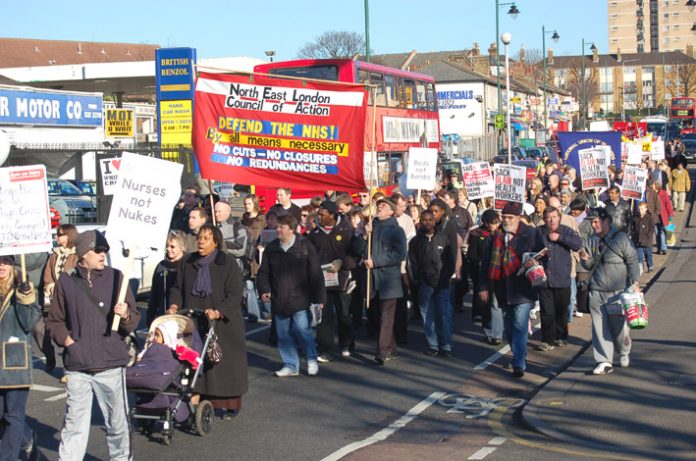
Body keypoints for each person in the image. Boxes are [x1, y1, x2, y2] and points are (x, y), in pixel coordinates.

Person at [47, 230, 140, 461]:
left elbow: (133, 321)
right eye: (97, 250)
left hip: (110, 364)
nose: (103, 254)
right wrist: (69, 342)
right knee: (74, 425)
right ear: (83, 254)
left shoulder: (118, 278)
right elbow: (55, 320)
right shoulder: (66, 281)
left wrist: (126, 313)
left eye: (105, 250)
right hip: (78, 367)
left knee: (117, 424)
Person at [167, 223, 248, 419]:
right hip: (195, 319)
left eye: (206, 238)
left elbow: (235, 293)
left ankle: (229, 405)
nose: (200, 242)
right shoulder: (188, 261)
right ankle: (196, 400)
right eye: (199, 238)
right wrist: (174, 306)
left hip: (223, 323)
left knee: (223, 365)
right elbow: (177, 287)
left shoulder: (227, 263)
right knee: (195, 361)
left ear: (216, 242)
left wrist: (219, 311)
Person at [257, 215, 326, 377]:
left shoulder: (305, 246)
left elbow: (316, 273)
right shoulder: (272, 248)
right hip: (279, 299)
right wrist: (264, 290)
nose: (278, 230)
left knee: (303, 330)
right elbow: (263, 272)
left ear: (292, 229)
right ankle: (291, 365)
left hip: (300, 298)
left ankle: (311, 359)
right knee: (283, 335)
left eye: (282, 227)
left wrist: (319, 298)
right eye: (277, 227)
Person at [480, 202, 543, 378]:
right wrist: (483, 285)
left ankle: (518, 363)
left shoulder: (529, 233)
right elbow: (486, 262)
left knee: (519, 325)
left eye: (510, 217)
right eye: (504, 217)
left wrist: (536, 262)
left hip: (522, 287)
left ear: (518, 218)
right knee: (508, 328)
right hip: (501, 286)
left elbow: (543, 254)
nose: (506, 220)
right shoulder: (496, 235)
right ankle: (519, 354)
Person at [579, 208, 641, 375]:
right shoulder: (591, 241)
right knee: (599, 328)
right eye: (591, 222)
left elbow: (633, 260)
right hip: (596, 290)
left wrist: (635, 282)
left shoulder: (620, 238)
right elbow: (590, 266)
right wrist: (585, 260)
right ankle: (604, 360)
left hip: (617, 293)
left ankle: (624, 350)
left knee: (618, 328)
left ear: (606, 221)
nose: (593, 225)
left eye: (596, 221)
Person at [353, 198, 407, 365]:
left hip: (389, 280)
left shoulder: (397, 231)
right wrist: (364, 235)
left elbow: (399, 254)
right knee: (377, 316)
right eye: (378, 205)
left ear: (391, 211)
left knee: (386, 316)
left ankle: (382, 351)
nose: (379, 207)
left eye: (383, 205)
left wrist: (376, 261)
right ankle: (391, 347)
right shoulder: (370, 226)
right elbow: (356, 249)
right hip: (371, 280)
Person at [0, 255, 41, 461]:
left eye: (6, 261)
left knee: (13, 415)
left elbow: (29, 323)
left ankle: (7, 457)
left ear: (13, 264)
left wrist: (26, 299)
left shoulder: (22, 288)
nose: (1, 265)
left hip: (14, 362)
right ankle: (27, 440)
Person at [309, 201, 357, 361]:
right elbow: (309, 256)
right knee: (324, 316)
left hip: (342, 280)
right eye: (318, 214)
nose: (319, 217)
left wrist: (342, 263)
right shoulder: (314, 233)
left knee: (344, 314)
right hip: (321, 281)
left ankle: (346, 344)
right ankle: (324, 349)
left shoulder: (346, 230)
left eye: (322, 214)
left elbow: (355, 254)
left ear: (332, 214)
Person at [408, 210, 457, 357]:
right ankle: (433, 344)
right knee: (427, 315)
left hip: (442, 283)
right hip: (425, 284)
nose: (427, 222)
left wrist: (446, 277)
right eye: (424, 220)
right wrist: (417, 279)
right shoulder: (415, 242)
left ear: (434, 221)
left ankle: (446, 344)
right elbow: (413, 263)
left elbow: (450, 260)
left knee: (443, 314)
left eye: (430, 219)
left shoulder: (443, 238)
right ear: (420, 221)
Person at [535, 207, 582, 351]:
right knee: (547, 311)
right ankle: (547, 339)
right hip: (544, 278)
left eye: (554, 217)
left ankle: (561, 336)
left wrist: (560, 238)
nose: (551, 220)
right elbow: (529, 248)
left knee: (562, 310)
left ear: (559, 217)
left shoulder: (566, 231)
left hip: (562, 278)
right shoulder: (538, 232)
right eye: (548, 217)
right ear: (544, 219)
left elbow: (577, 244)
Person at [41, 224, 79, 371]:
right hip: (58, 301)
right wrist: (50, 287)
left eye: (60, 234)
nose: (57, 237)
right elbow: (48, 275)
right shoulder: (55, 255)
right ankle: (67, 368)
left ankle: (72, 368)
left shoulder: (77, 255)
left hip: (74, 301)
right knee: (62, 334)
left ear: (69, 236)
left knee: (74, 333)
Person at [467, 209, 503, 344]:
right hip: (483, 273)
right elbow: (471, 254)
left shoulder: (502, 234)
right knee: (485, 304)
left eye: (496, 223)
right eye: (491, 223)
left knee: (496, 304)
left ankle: (496, 333)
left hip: (498, 273)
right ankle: (488, 330)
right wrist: (480, 261)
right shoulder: (477, 234)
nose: (493, 226)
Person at [147, 231, 186, 326]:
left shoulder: (187, 265)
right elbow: (154, 295)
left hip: (182, 318)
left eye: (172, 246)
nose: (168, 249)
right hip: (163, 316)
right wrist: (150, 318)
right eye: (167, 246)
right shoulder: (161, 265)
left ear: (182, 247)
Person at [241, 194, 266, 322]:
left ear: (255, 204)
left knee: (260, 285)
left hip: (258, 255)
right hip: (246, 256)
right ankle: (253, 313)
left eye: (249, 203)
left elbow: (267, 235)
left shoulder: (262, 219)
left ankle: (267, 311)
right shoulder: (242, 220)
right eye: (245, 203)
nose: (247, 206)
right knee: (248, 286)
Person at [631, 202, 656, 273]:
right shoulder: (636, 218)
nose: (640, 210)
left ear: (646, 209)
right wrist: (633, 235)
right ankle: (641, 268)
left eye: (642, 209)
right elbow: (633, 228)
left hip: (647, 241)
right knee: (640, 256)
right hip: (638, 241)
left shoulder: (649, 217)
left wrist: (648, 235)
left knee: (648, 255)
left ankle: (650, 266)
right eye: (639, 209)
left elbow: (652, 228)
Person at [656, 181, 674, 255]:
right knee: (657, 233)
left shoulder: (663, 193)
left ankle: (663, 248)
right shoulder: (651, 194)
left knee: (663, 232)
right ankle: (660, 248)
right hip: (656, 216)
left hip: (664, 216)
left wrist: (670, 216)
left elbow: (668, 204)